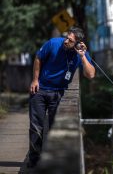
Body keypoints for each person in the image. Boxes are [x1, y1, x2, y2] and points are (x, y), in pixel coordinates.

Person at [27, 26, 95, 168]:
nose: (66, 41)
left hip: (58, 93)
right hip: (40, 90)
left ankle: (51, 161)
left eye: (70, 40)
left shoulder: (80, 53)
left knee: (54, 128)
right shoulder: (53, 43)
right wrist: (35, 79)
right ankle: (34, 161)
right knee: (36, 127)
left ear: (77, 43)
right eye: (66, 37)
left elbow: (91, 74)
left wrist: (83, 56)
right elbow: (38, 58)